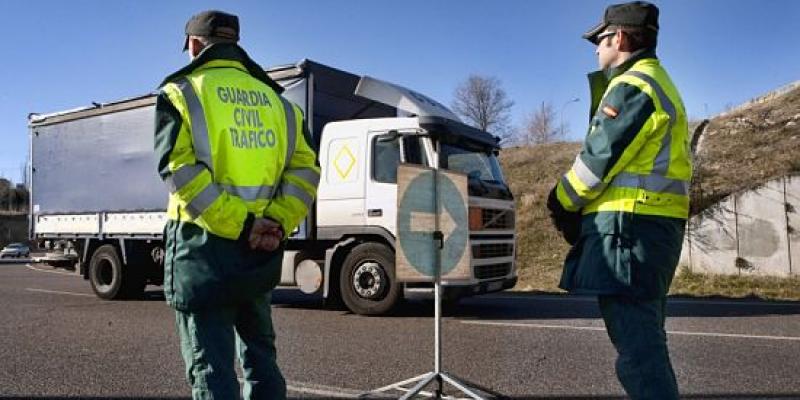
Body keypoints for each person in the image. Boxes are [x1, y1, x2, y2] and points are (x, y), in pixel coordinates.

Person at [153, 10, 319, 400]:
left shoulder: (183, 92)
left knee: (211, 371)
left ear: (194, 45)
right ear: (235, 43)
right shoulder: (281, 105)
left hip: (202, 252)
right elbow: (306, 172)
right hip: (261, 252)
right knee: (262, 361)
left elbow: (181, 173)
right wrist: (274, 223)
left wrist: (242, 224)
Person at [547, 2, 691, 399]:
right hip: (647, 228)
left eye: (600, 39)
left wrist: (560, 202)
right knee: (645, 340)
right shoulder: (655, 81)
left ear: (621, 38)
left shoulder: (634, 85)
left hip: (632, 232)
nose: (595, 48)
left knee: (639, 351)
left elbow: (597, 161)